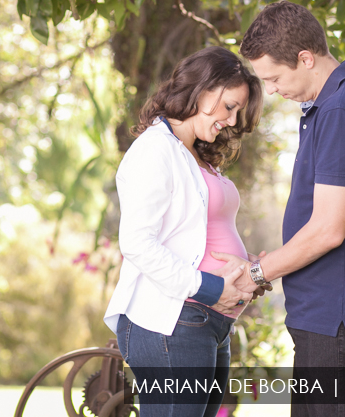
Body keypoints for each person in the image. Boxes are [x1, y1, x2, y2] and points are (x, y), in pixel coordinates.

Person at [214, 0, 345, 416]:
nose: (271, 90)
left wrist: (254, 275)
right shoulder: (339, 102)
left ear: (305, 58)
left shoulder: (341, 110)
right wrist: (275, 261)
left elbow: (328, 230)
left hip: (340, 320)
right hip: (335, 317)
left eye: (274, 77)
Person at [103, 46, 265, 417]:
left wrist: (246, 269)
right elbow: (137, 243)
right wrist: (211, 286)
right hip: (171, 322)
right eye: (229, 106)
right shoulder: (154, 151)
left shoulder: (194, 153)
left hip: (208, 320)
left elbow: (199, 233)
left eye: (238, 110)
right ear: (204, 88)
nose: (232, 119)